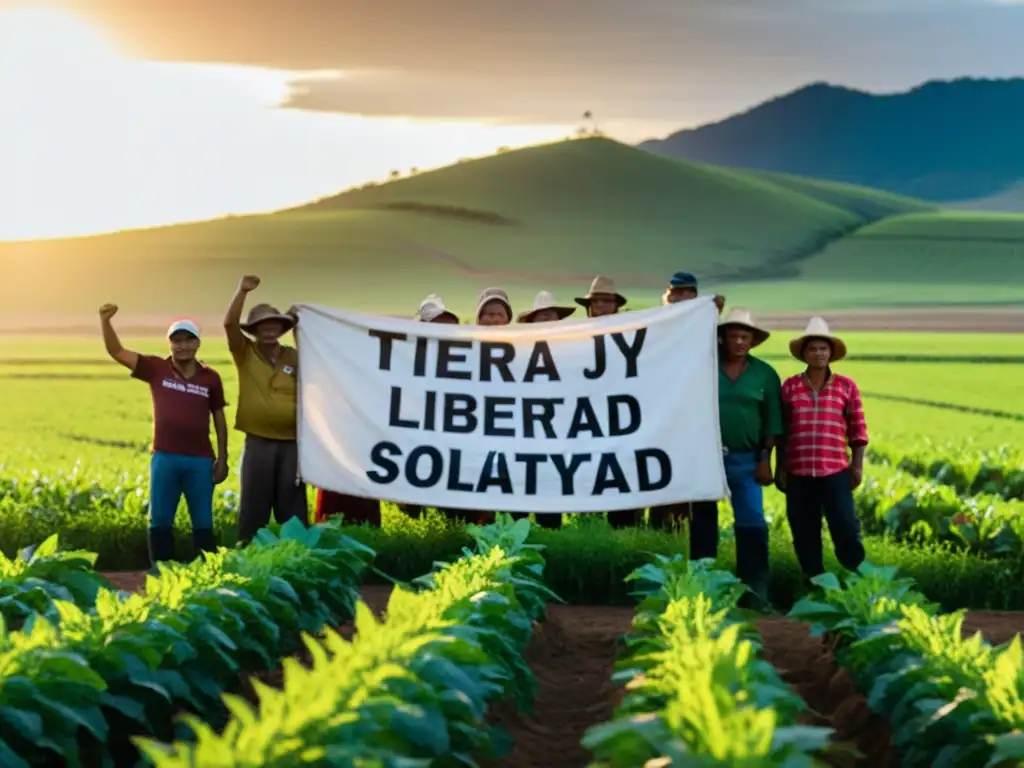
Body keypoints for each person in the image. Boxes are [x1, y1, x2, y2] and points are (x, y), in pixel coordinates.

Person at [99, 305, 228, 568]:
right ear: (169, 344)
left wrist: (223, 458)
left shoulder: (210, 378)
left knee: (203, 523)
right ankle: (161, 576)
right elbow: (117, 352)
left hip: (200, 461)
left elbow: (219, 418)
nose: (182, 346)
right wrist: (105, 322)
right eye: (176, 341)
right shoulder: (156, 368)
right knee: (159, 521)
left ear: (197, 343)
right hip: (165, 458)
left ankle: (207, 577)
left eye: (188, 340)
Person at [777, 317, 868, 582]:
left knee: (845, 527)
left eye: (823, 349)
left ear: (831, 353)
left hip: (835, 471)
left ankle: (857, 578)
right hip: (798, 473)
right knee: (804, 531)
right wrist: (780, 466)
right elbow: (782, 430)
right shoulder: (790, 386)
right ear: (804, 354)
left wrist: (857, 465)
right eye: (813, 349)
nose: (818, 353)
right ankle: (814, 581)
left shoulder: (846, 386)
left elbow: (858, 430)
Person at [224, 275, 308, 543]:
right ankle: (249, 561)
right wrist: (242, 291)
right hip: (259, 441)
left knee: (292, 510)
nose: (269, 329)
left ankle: (297, 560)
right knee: (254, 508)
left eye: (274, 324)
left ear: (281, 328)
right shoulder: (245, 353)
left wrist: (299, 324)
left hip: (292, 444)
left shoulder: (293, 356)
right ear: (255, 330)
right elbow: (228, 324)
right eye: (263, 325)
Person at [649, 270, 727, 545]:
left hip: (696, 425)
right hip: (661, 424)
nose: (683, 298)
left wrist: (712, 315)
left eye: (688, 293)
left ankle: (701, 553)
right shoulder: (654, 328)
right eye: (677, 293)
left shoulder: (708, 331)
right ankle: (657, 543)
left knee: (696, 490)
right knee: (660, 486)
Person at [713, 308, 782, 603]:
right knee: (703, 523)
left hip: (748, 458)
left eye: (745, 336)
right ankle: (703, 588)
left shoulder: (764, 374)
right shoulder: (705, 368)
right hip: (707, 458)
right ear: (722, 339)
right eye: (733, 336)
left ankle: (754, 591)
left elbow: (773, 420)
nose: (739, 342)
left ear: (753, 341)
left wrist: (766, 458)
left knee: (752, 521)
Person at [574, 276, 644, 529]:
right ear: (589, 307)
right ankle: (590, 535)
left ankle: (626, 536)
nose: (601, 307)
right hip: (585, 426)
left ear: (616, 306)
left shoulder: (631, 334)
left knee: (625, 486)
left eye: (606, 301)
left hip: (624, 424)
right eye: (596, 302)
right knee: (588, 486)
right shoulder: (574, 337)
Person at [510, 290, 577, 528]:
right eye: (542, 316)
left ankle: (550, 536)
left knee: (550, 494)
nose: (548, 320)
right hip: (521, 435)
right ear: (532, 321)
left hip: (554, 436)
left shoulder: (571, 350)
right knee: (518, 496)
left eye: (552, 315)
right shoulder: (517, 351)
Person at [395, 294, 462, 522]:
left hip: (452, 430)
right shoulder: (406, 354)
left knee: (451, 483)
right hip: (416, 429)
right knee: (414, 483)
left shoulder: (464, 354)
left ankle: (452, 524)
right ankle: (414, 526)